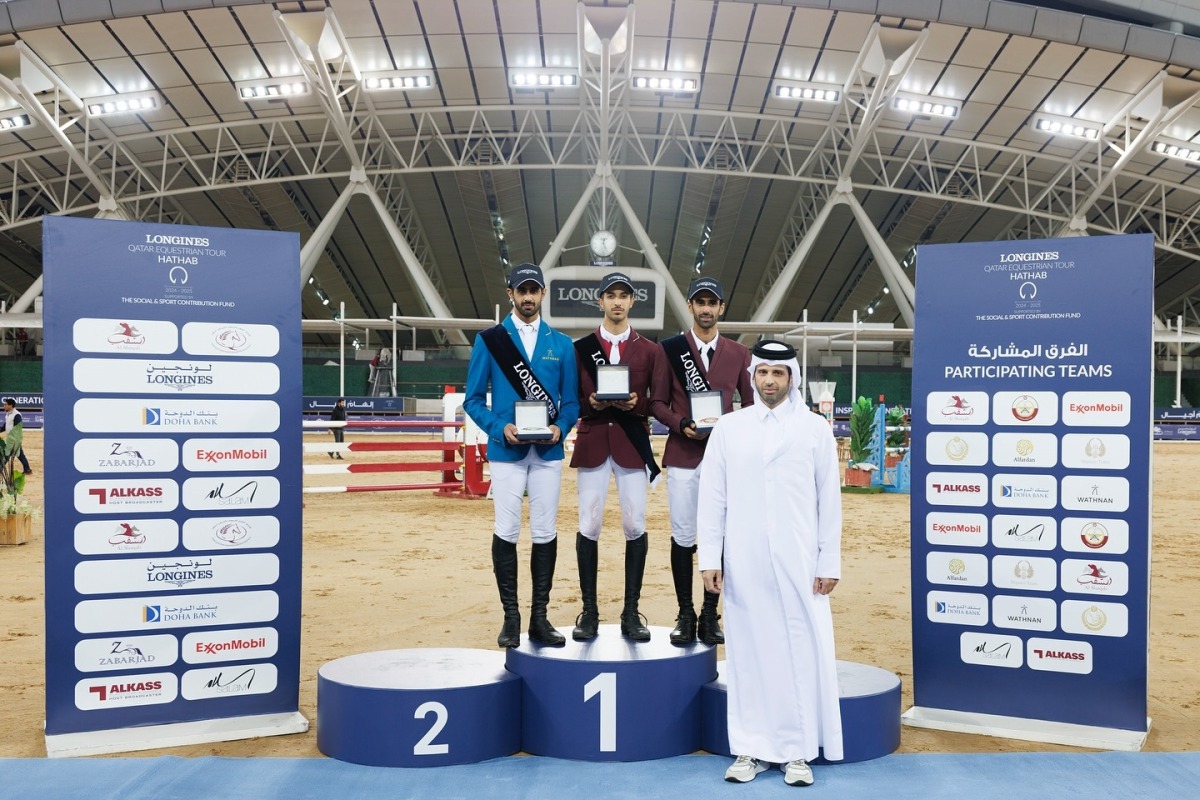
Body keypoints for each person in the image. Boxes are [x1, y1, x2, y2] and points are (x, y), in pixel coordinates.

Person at [697, 340, 843, 786]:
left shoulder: (815, 429)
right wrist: (711, 556)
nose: (770, 381)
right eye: (763, 373)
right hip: (743, 562)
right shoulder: (730, 427)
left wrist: (828, 560)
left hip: (801, 562)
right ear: (752, 376)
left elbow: (829, 500)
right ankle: (749, 749)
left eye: (779, 373)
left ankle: (797, 752)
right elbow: (712, 497)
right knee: (747, 654)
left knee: (798, 652)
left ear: (792, 378)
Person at [464, 263, 579, 649]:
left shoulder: (561, 344)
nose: (528, 297)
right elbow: (473, 399)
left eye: (534, 290)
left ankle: (540, 618)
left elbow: (572, 403)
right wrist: (500, 428)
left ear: (543, 294)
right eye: (521, 290)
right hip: (506, 450)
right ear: (510, 293)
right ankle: (511, 617)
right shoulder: (491, 340)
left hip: (547, 451)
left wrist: (561, 427)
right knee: (507, 530)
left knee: (545, 531)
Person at [650, 277, 753, 646]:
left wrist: (731, 429)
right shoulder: (668, 350)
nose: (706, 308)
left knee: (721, 537)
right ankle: (685, 613)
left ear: (721, 308)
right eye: (700, 302)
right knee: (683, 536)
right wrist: (680, 424)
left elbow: (751, 404)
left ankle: (711, 614)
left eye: (712, 302)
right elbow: (656, 402)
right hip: (683, 455)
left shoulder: (741, 354)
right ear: (691, 307)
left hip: (725, 460)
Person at [570, 272, 670, 642]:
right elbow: (571, 399)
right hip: (594, 439)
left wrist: (636, 403)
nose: (616, 302)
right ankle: (590, 612)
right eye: (610, 295)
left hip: (631, 444)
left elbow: (656, 400)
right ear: (600, 301)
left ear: (632, 302)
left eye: (623, 296)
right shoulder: (579, 348)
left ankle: (631, 611)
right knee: (589, 525)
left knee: (635, 525)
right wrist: (590, 403)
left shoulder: (650, 350)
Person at [1, 397, 32, 475]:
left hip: (14, 439)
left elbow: (17, 428)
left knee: (6, 455)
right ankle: (27, 470)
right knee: (20, 455)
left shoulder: (17, 415)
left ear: (11, 405)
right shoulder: (8, 414)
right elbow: (6, 426)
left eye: (5, 405)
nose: (4, 406)